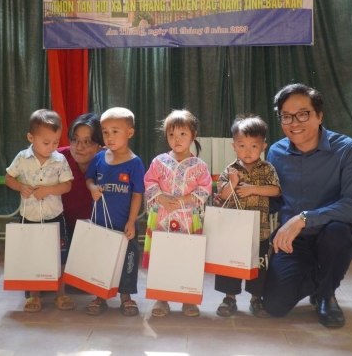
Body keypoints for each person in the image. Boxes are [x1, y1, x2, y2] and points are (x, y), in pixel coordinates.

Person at [263, 83, 352, 328]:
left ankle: (326, 293)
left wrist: (304, 218)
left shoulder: (347, 149)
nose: (294, 122)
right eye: (286, 116)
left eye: (303, 114)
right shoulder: (276, 152)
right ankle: (318, 277)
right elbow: (275, 199)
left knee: (338, 233)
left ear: (319, 116)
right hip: (293, 242)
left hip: (331, 235)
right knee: (274, 306)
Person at [143, 109, 212, 318]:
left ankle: (187, 299)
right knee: (162, 259)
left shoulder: (199, 166)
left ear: (193, 135)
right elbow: (150, 182)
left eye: (182, 134)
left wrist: (184, 200)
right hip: (162, 217)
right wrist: (162, 198)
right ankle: (161, 298)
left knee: (187, 258)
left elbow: (205, 189)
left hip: (187, 220)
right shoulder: (158, 162)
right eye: (171, 134)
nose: (177, 139)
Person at [5, 109, 75, 313]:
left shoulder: (59, 160)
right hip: (30, 218)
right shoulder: (22, 158)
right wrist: (20, 187)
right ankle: (34, 296)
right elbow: (9, 178)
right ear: (31, 138)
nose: (51, 147)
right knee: (32, 256)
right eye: (46, 143)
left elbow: (68, 185)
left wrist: (49, 190)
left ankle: (60, 294)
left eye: (55, 142)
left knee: (60, 257)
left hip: (55, 218)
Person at [213, 115, 281, 319]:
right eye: (242, 145)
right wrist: (233, 182)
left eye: (253, 145)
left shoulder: (267, 169)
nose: (248, 151)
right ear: (234, 146)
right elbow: (223, 195)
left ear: (263, 146)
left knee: (258, 266)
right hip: (232, 232)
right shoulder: (230, 170)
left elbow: (276, 191)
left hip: (259, 231)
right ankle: (229, 298)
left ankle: (255, 299)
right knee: (230, 265)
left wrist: (253, 189)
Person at [85, 107, 145, 317]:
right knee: (102, 260)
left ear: (130, 133)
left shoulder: (135, 163)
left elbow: (138, 193)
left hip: (124, 226)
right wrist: (92, 188)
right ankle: (100, 295)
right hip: (101, 225)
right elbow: (89, 179)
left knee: (128, 262)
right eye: (105, 131)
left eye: (115, 131)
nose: (109, 137)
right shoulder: (99, 158)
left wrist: (131, 221)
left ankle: (126, 297)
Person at [57, 113, 105, 240]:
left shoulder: (109, 163)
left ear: (100, 146)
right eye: (75, 140)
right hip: (60, 226)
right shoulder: (57, 158)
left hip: (96, 228)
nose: (79, 147)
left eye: (87, 142)